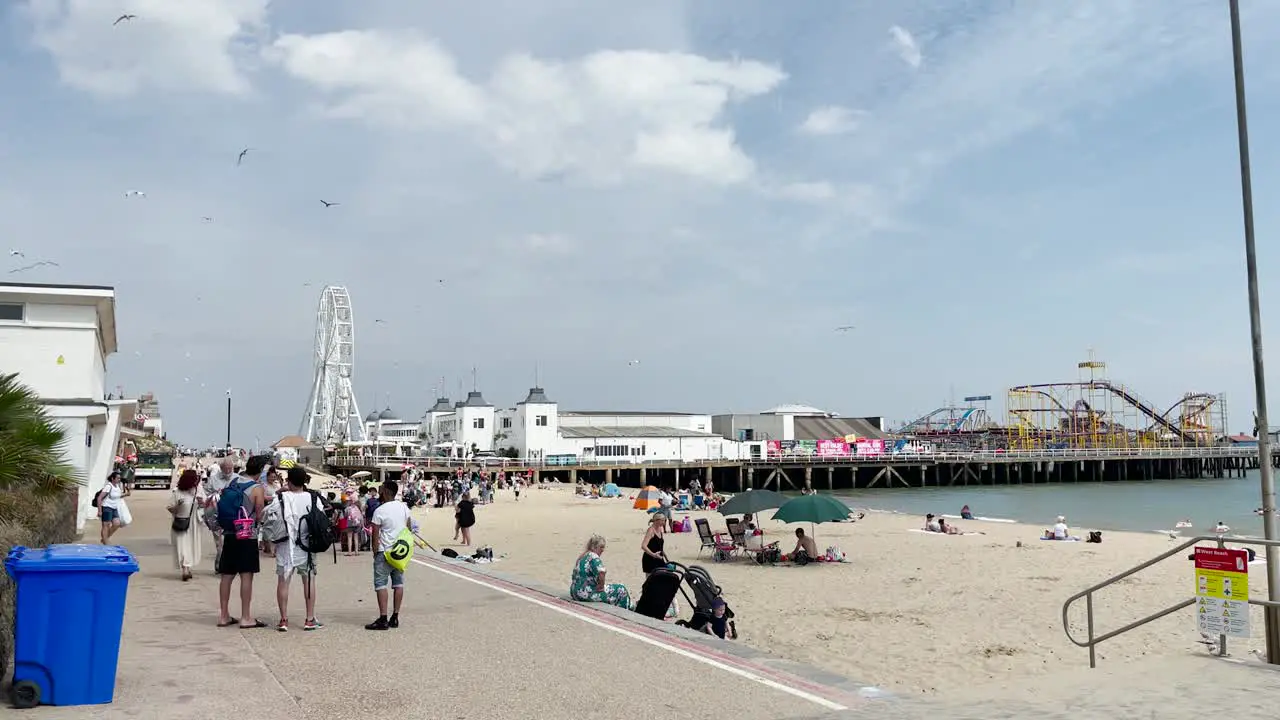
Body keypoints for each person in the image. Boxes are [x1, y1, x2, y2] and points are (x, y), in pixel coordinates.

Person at [217, 455, 268, 629]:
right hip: (247, 535)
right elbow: (259, 513)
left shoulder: (233, 483)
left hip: (230, 533)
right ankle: (245, 616)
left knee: (227, 575)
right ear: (260, 471)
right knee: (246, 575)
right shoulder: (257, 488)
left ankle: (223, 615)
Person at [274, 467, 323, 632]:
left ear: (289, 481)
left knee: (283, 582)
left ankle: (283, 619)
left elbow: (270, 517)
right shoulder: (313, 498)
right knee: (308, 581)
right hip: (306, 546)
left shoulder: (281, 497)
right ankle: (309, 618)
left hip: (285, 545)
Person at [367, 480, 415, 631]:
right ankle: (395, 616)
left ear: (386, 491)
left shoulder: (380, 510)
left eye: (381, 489)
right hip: (399, 552)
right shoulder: (404, 507)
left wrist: (375, 553)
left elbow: (375, 535)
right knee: (398, 583)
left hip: (384, 550)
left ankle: (383, 618)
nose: (380, 491)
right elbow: (408, 528)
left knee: (381, 584)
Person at [569, 534, 632, 609]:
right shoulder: (593, 556)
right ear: (594, 547)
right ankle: (625, 610)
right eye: (601, 547)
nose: (603, 550)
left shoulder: (582, 556)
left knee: (610, 590)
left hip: (575, 592)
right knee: (621, 589)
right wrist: (601, 586)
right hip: (585, 594)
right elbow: (601, 572)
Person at [167, 469, 204, 581]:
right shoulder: (177, 492)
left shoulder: (198, 489)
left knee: (190, 545)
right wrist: (179, 506)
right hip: (181, 522)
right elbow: (170, 507)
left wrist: (201, 502)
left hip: (194, 522)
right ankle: (185, 569)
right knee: (182, 547)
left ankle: (187, 568)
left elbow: (205, 504)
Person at [96, 470, 129, 545]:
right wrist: (100, 510)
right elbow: (99, 498)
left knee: (117, 523)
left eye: (119, 478)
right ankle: (106, 542)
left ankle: (105, 538)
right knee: (106, 525)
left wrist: (125, 495)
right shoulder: (108, 486)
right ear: (112, 478)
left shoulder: (117, 486)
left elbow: (117, 497)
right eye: (117, 478)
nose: (119, 480)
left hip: (114, 507)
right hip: (107, 507)